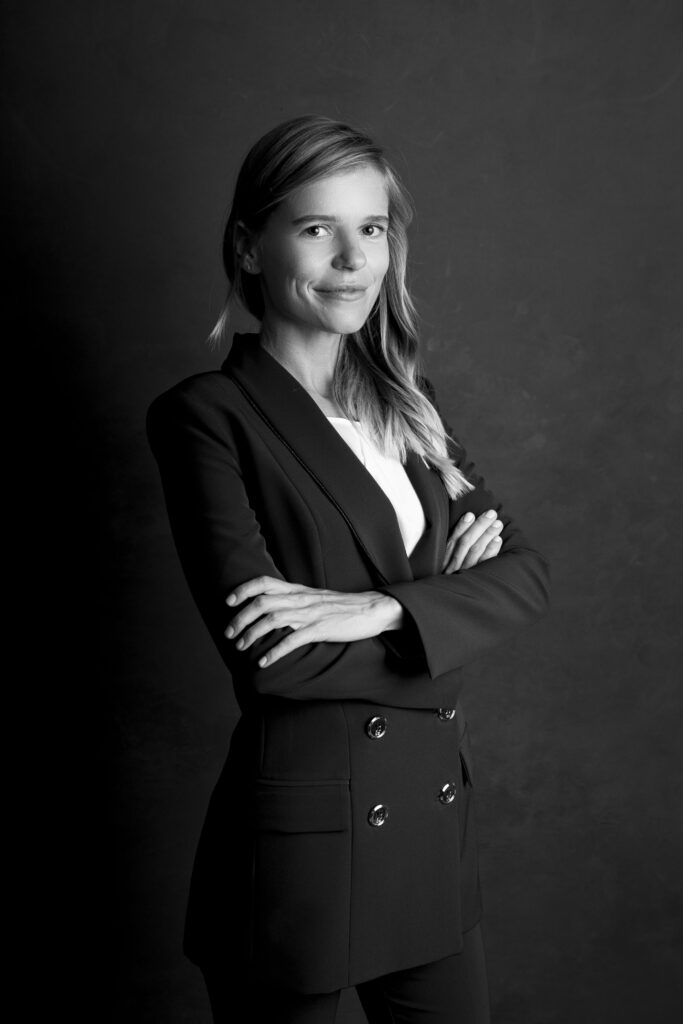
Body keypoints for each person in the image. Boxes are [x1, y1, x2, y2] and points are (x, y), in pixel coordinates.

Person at [147, 114, 550, 1024]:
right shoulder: (207, 416)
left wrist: (380, 610)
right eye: (315, 228)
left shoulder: (409, 406)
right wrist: (448, 621)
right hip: (304, 857)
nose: (352, 259)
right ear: (249, 247)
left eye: (371, 228)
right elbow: (274, 660)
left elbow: (525, 574)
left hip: (428, 839)